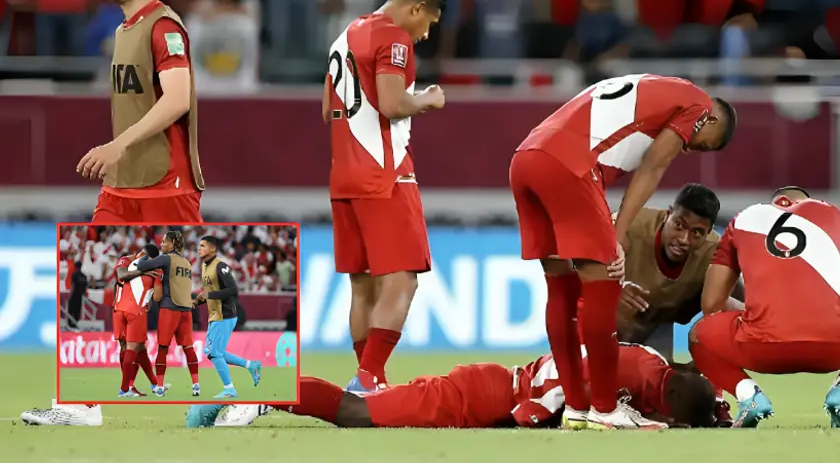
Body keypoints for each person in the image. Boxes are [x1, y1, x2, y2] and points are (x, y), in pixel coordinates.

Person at [509, 74, 737, 429]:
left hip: (526, 158)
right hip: (571, 166)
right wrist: (615, 232)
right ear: (709, 120)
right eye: (704, 144)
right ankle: (604, 409)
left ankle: (576, 407)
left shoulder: (654, 85)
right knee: (605, 281)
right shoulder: (698, 105)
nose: (692, 150)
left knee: (562, 287)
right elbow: (653, 167)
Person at [322, 0, 448, 394]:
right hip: (385, 173)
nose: (426, 34)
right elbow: (393, 105)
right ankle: (368, 377)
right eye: (429, 21)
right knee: (401, 279)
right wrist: (428, 99)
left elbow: (328, 110)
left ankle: (367, 379)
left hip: (343, 175)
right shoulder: (395, 39)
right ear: (415, 8)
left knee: (363, 282)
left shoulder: (347, 34)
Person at [690, 186, 840, 429]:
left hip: (762, 348)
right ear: (805, 202)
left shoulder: (744, 220)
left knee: (698, 335)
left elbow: (711, 304)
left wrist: (753, 312)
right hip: (836, 347)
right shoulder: (833, 214)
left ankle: (748, 396)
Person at [188, 343, 718, 430]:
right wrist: (534, 418)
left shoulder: (656, 368)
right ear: (670, 402)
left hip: (490, 386)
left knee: (367, 407)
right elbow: (544, 400)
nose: (671, 423)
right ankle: (265, 394)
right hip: (485, 396)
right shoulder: (634, 373)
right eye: (677, 418)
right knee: (358, 414)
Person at [78, 0, 205, 223]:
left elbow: (177, 100)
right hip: (120, 184)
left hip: (165, 186)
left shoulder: (164, 28)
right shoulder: (123, 31)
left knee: (181, 269)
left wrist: (117, 145)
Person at [593, 183, 744, 425]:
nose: (683, 239)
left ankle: (715, 397)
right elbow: (576, 265)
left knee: (729, 315)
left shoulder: (715, 252)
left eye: (696, 233)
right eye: (679, 225)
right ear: (668, 214)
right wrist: (611, 288)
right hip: (607, 330)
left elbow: (745, 304)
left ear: (707, 234)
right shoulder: (630, 226)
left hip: (657, 327)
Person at [120, 230, 200, 397]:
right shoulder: (186, 262)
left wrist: (144, 255)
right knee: (188, 347)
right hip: (186, 310)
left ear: (171, 243)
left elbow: (142, 266)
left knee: (163, 348)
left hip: (170, 308)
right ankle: (196, 385)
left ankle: (160, 386)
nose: (161, 244)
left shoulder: (165, 258)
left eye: (164, 242)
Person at [194, 235, 261, 399]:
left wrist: (210, 295)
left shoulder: (221, 266)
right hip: (215, 315)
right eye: (199, 245)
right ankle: (250, 365)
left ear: (212, 249)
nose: (199, 248)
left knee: (213, 353)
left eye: (203, 246)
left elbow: (233, 290)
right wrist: (198, 301)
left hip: (225, 314)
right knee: (214, 352)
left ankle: (229, 388)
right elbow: (211, 293)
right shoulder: (204, 266)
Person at [113, 245, 163, 397]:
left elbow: (121, 276)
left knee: (137, 348)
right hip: (136, 310)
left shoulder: (126, 261)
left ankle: (154, 384)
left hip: (118, 308)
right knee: (131, 347)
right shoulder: (153, 270)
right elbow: (157, 298)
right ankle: (125, 389)